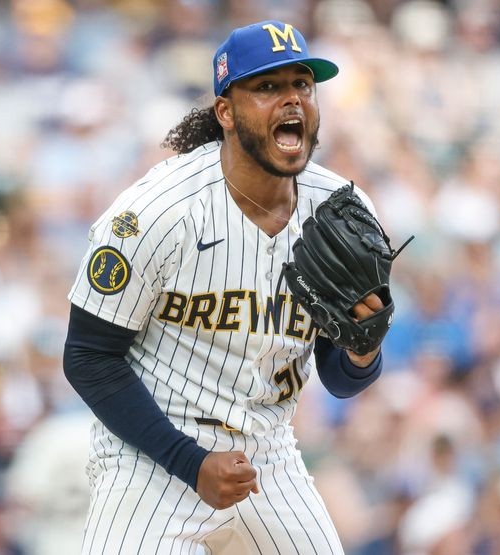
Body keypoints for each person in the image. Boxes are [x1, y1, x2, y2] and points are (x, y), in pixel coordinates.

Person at [63, 20, 389, 553]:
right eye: (267, 87)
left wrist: (363, 350)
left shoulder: (344, 214)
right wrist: (189, 462)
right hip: (151, 461)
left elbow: (341, 380)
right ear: (226, 112)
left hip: (268, 455)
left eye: (302, 84)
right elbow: (87, 358)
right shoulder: (156, 213)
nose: (291, 101)